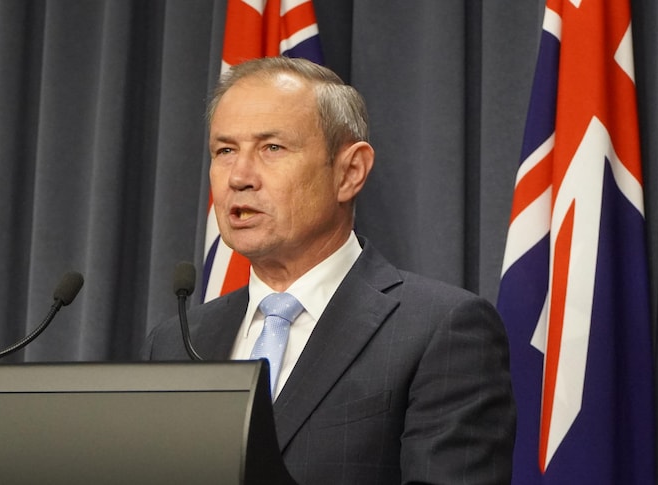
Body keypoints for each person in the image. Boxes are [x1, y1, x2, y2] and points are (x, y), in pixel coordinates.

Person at [143, 56, 515, 484]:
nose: (239, 177)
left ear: (349, 172)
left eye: (272, 148)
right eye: (225, 151)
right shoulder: (176, 342)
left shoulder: (440, 330)